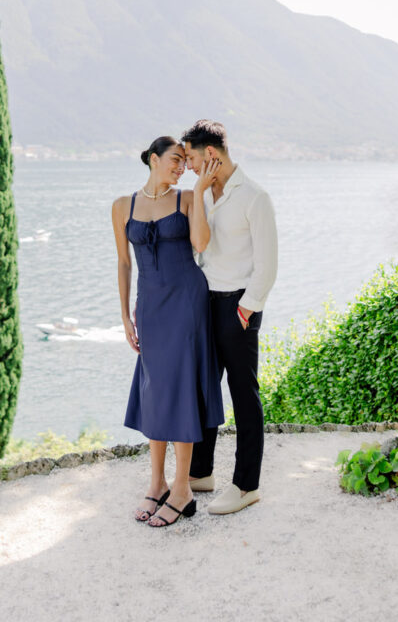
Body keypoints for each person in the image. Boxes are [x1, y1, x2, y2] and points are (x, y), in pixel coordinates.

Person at [112, 136, 224, 527]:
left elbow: (200, 243)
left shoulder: (188, 199)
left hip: (188, 303)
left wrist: (199, 190)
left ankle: (182, 487)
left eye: (184, 161)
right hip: (151, 306)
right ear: (154, 159)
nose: (181, 166)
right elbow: (125, 264)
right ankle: (156, 483)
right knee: (155, 389)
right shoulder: (123, 206)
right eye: (175, 160)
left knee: (182, 388)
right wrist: (126, 315)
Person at [182, 120, 278, 515]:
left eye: (190, 157)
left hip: (239, 306)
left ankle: (246, 485)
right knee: (206, 389)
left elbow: (268, 265)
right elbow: (199, 248)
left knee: (243, 394)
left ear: (211, 155)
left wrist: (246, 308)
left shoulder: (255, 197)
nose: (187, 165)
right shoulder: (202, 194)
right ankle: (201, 473)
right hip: (206, 301)